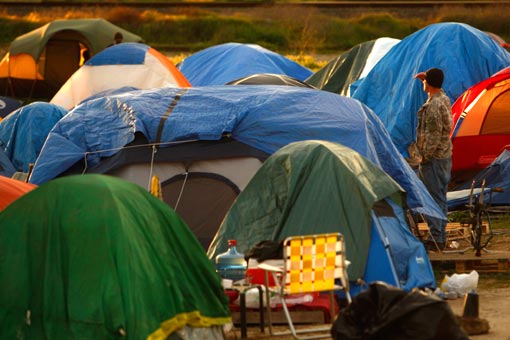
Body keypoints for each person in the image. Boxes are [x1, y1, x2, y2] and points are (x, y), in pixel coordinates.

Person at [413, 67, 453, 251]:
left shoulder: (433, 106)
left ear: (429, 84)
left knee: (434, 198)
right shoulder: (442, 98)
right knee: (438, 196)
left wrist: (424, 157)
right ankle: (438, 234)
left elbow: (433, 135)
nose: (423, 83)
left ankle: (437, 238)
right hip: (444, 156)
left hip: (434, 159)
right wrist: (427, 78)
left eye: (425, 81)